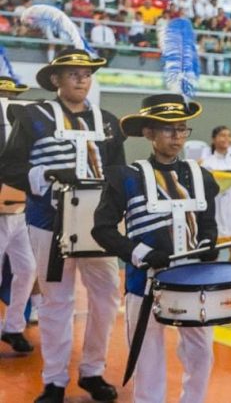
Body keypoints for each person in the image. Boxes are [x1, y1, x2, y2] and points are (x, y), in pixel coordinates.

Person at [0, 48, 125, 403]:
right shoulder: (33, 115)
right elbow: (8, 168)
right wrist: (46, 173)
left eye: (86, 73)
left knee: (105, 299)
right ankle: (54, 380)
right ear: (55, 79)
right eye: (73, 73)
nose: (82, 78)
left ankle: (92, 372)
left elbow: (119, 175)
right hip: (47, 222)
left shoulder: (110, 122)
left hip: (100, 226)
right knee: (56, 300)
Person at [91, 94, 219, 403]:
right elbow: (102, 229)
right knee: (147, 360)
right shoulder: (127, 177)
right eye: (167, 129)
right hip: (143, 283)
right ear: (148, 133)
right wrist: (141, 254)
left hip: (193, 281)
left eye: (182, 128)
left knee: (201, 354)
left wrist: (208, 244)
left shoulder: (200, 175)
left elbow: (208, 224)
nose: (177, 136)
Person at [0, 73, 35, 354]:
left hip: (19, 212)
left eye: (10, 95)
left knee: (27, 269)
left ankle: (13, 327)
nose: (6, 99)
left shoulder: (22, 126)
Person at [200, 125, 231, 262]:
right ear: (214, 139)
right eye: (222, 135)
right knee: (212, 252)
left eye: (229, 135)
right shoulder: (206, 163)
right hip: (214, 208)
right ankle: (212, 279)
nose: (226, 138)